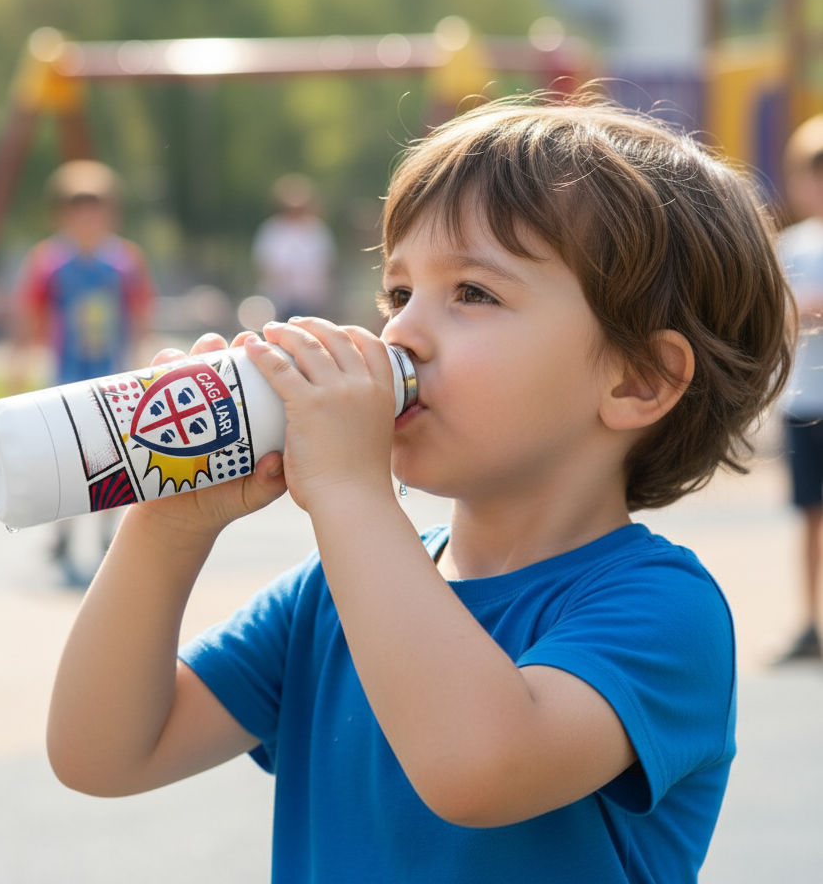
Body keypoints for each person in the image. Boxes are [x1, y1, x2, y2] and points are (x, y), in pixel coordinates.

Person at [46, 92, 794, 881]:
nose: (398, 333)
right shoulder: (330, 598)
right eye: (399, 294)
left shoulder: (662, 609)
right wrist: (167, 531)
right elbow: (104, 754)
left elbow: (476, 768)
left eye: (473, 293)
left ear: (640, 379)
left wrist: (350, 490)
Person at [9, 159, 156, 586]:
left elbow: (140, 314)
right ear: (62, 215)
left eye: (96, 209)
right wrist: (17, 368)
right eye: (78, 209)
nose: (87, 218)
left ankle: (110, 531)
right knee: (65, 459)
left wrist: (143, 366)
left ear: (110, 213)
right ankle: (64, 532)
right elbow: (27, 316)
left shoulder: (124, 262)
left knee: (111, 456)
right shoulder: (50, 262)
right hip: (66, 376)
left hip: (110, 375)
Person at [774, 115, 823, 662]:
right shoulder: (790, 246)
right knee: (810, 516)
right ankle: (811, 621)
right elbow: (771, 319)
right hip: (804, 403)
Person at [251, 173, 337, 321]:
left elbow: (328, 264)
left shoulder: (318, 231)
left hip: (312, 301)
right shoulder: (272, 230)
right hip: (279, 302)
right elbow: (263, 266)